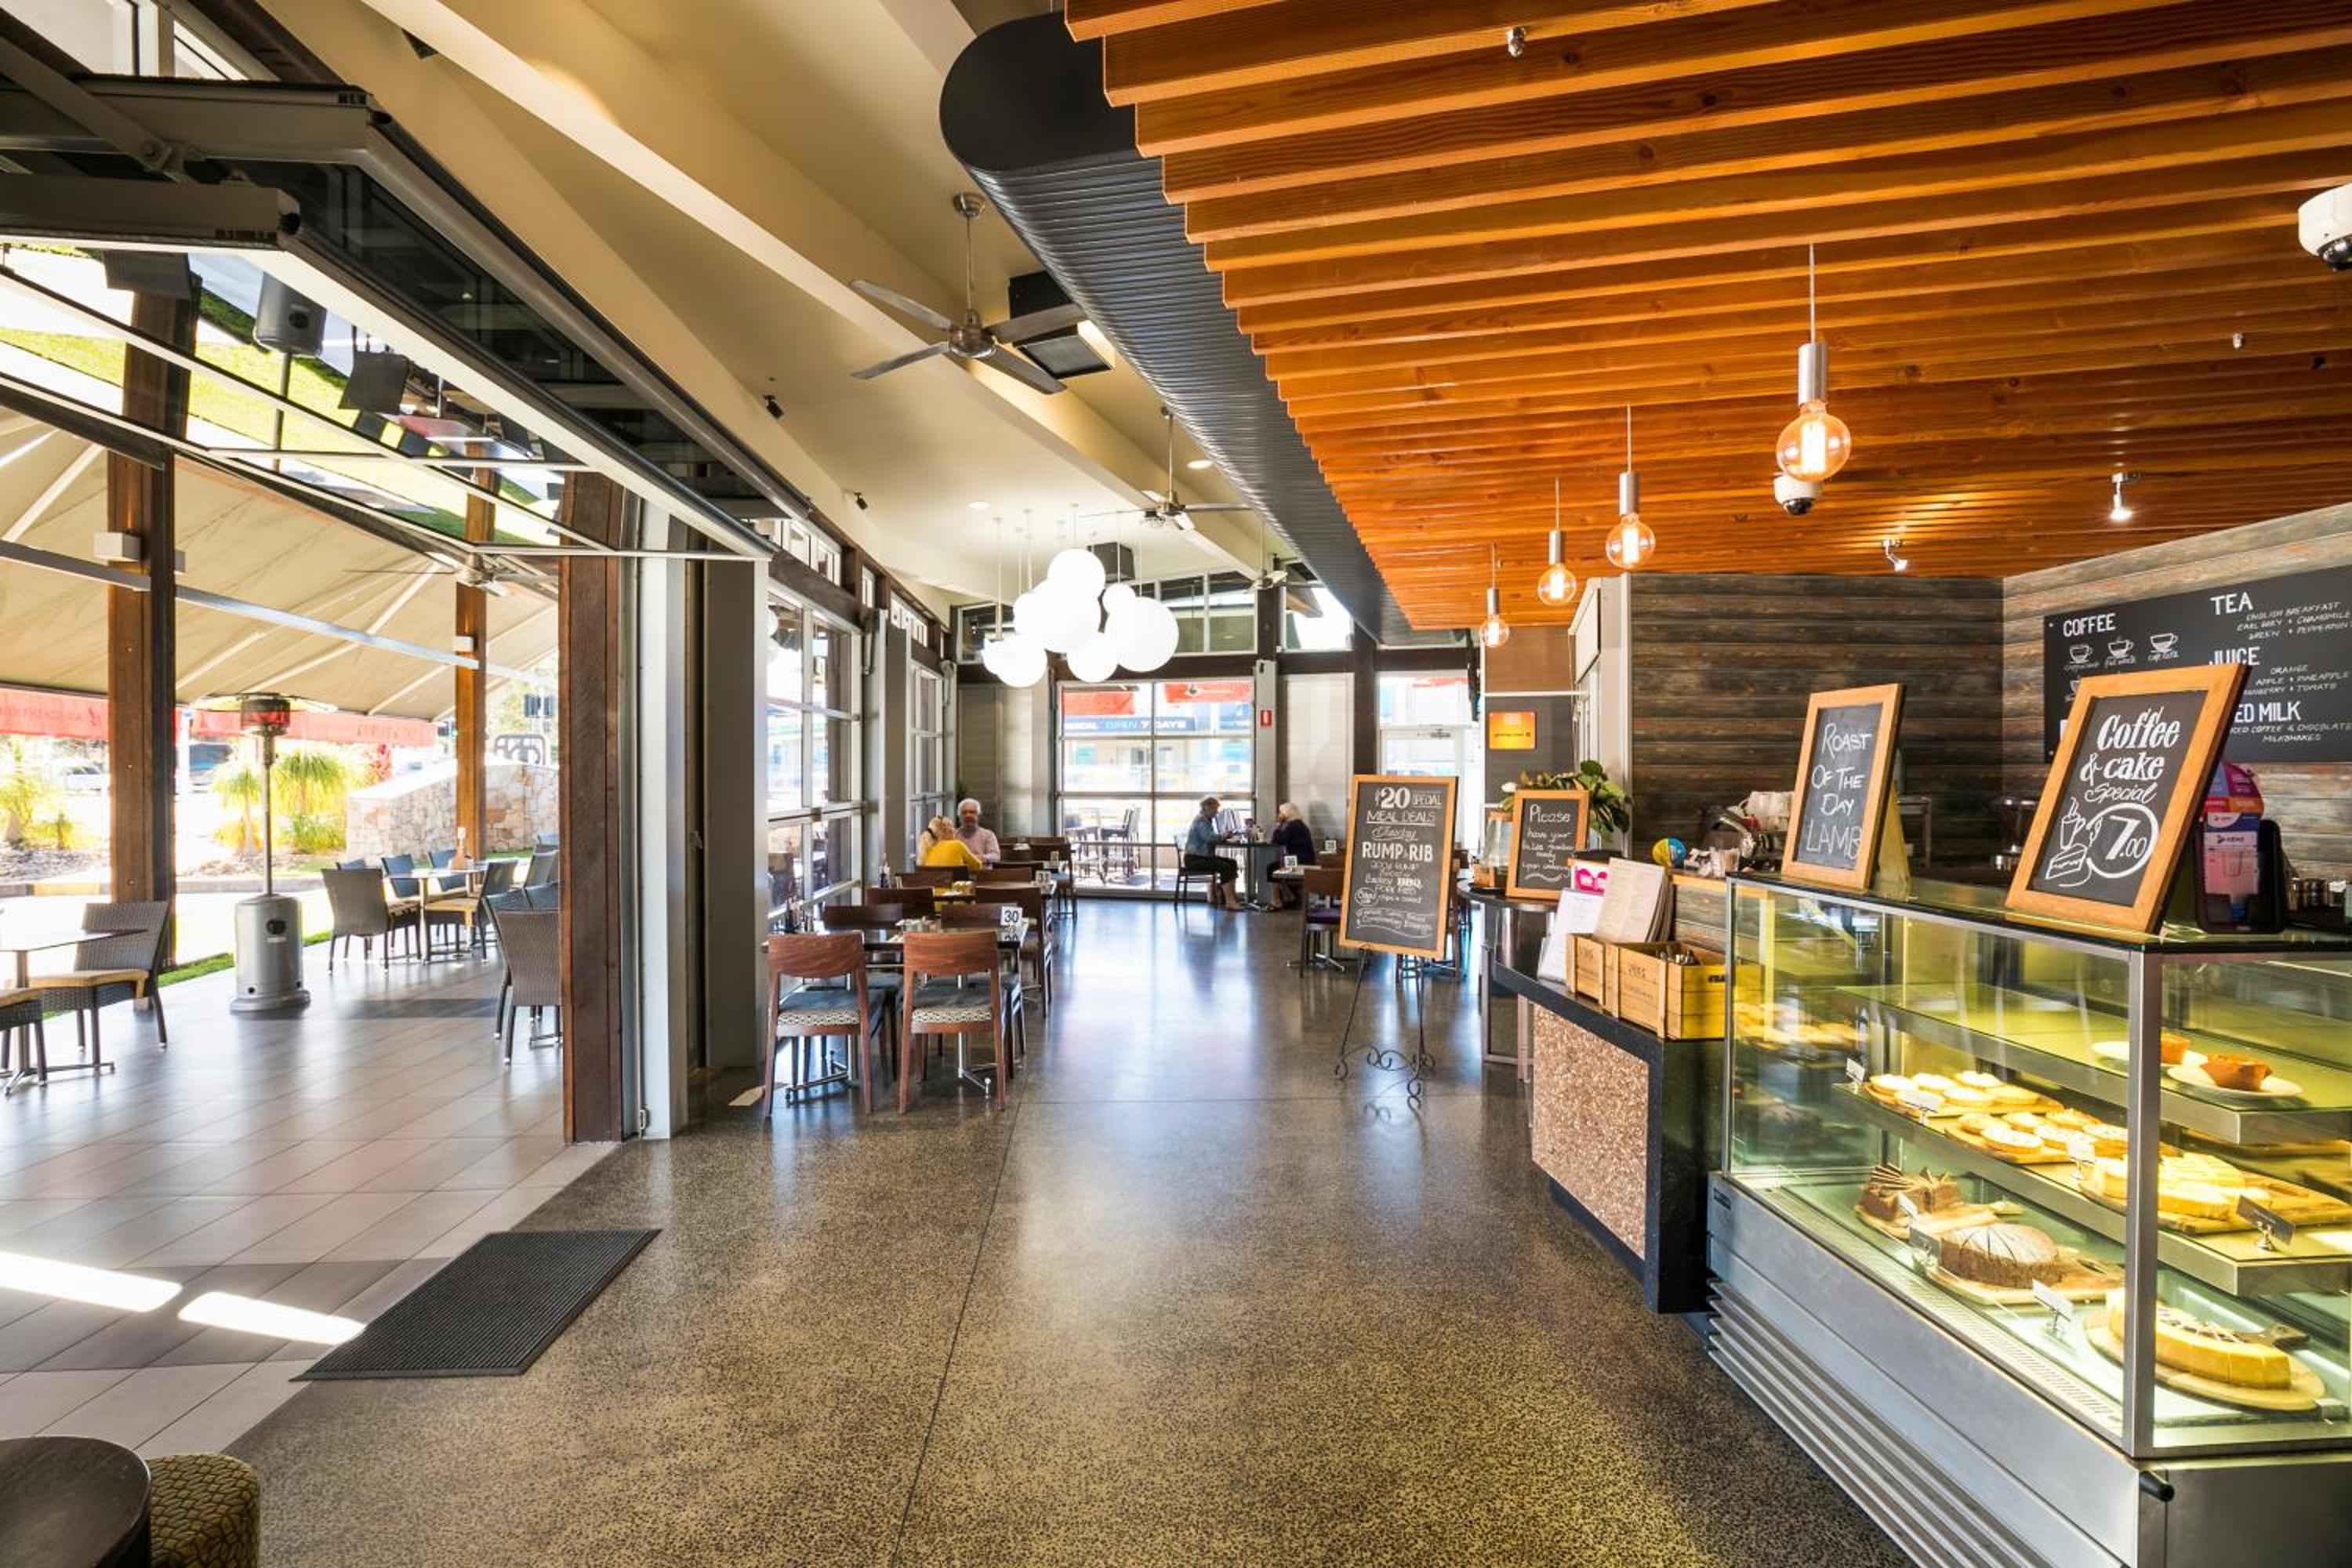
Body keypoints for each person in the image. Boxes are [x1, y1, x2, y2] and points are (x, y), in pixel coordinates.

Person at [1182, 795, 1247, 911]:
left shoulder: (1206, 821)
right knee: (1225, 867)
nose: (1216, 812)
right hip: (1195, 859)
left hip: (1202, 857)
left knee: (1232, 863)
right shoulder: (1201, 822)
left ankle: (1232, 895)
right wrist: (1224, 835)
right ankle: (1230, 901)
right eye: (1215, 809)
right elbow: (1209, 838)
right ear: (1207, 808)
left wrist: (1223, 836)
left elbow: (1211, 837)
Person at [1269, 802, 1315, 908]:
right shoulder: (1299, 824)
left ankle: (1276, 899)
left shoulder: (1293, 826)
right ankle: (1288, 895)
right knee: (1275, 867)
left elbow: (1277, 840)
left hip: (1299, 861)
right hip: (1305, 859)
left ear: (1286, 814)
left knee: (1271, 868)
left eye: (1280, 813)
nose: (1279, 815)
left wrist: (1279, 825)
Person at [918, 815, 983, 873]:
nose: (954, 831)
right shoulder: (957, 844)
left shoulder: (927, 849)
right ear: (947, 831)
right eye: (952, 828)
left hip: (931, 883)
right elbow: (977, 866)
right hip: (955, 883)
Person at [955, 798, 1001, 866]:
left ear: (978, 815)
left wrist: (978, 858)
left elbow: (996, 856)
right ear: (959, 816)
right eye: (964, 812)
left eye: (972, 812)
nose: (968, 815)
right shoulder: (953, 836)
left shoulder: (988, 835)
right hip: (958, 872)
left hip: (983, 871)